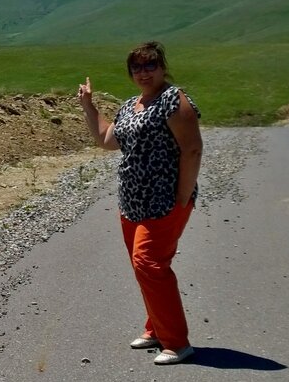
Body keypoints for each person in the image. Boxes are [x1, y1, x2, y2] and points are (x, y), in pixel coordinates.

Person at [77, 41, 203, 365]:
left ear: (162, 68)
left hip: (164, 201)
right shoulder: (132, 105)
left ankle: (177, 342)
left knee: (150, 264)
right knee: (142, 267)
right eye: (137, 67)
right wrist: (88, 106)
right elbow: (107, 140)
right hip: (132, 203)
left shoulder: (173, 100)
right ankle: (156, 328)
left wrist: (182, 196)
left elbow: (192, 149)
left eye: (150, 65)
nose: (143, 72)